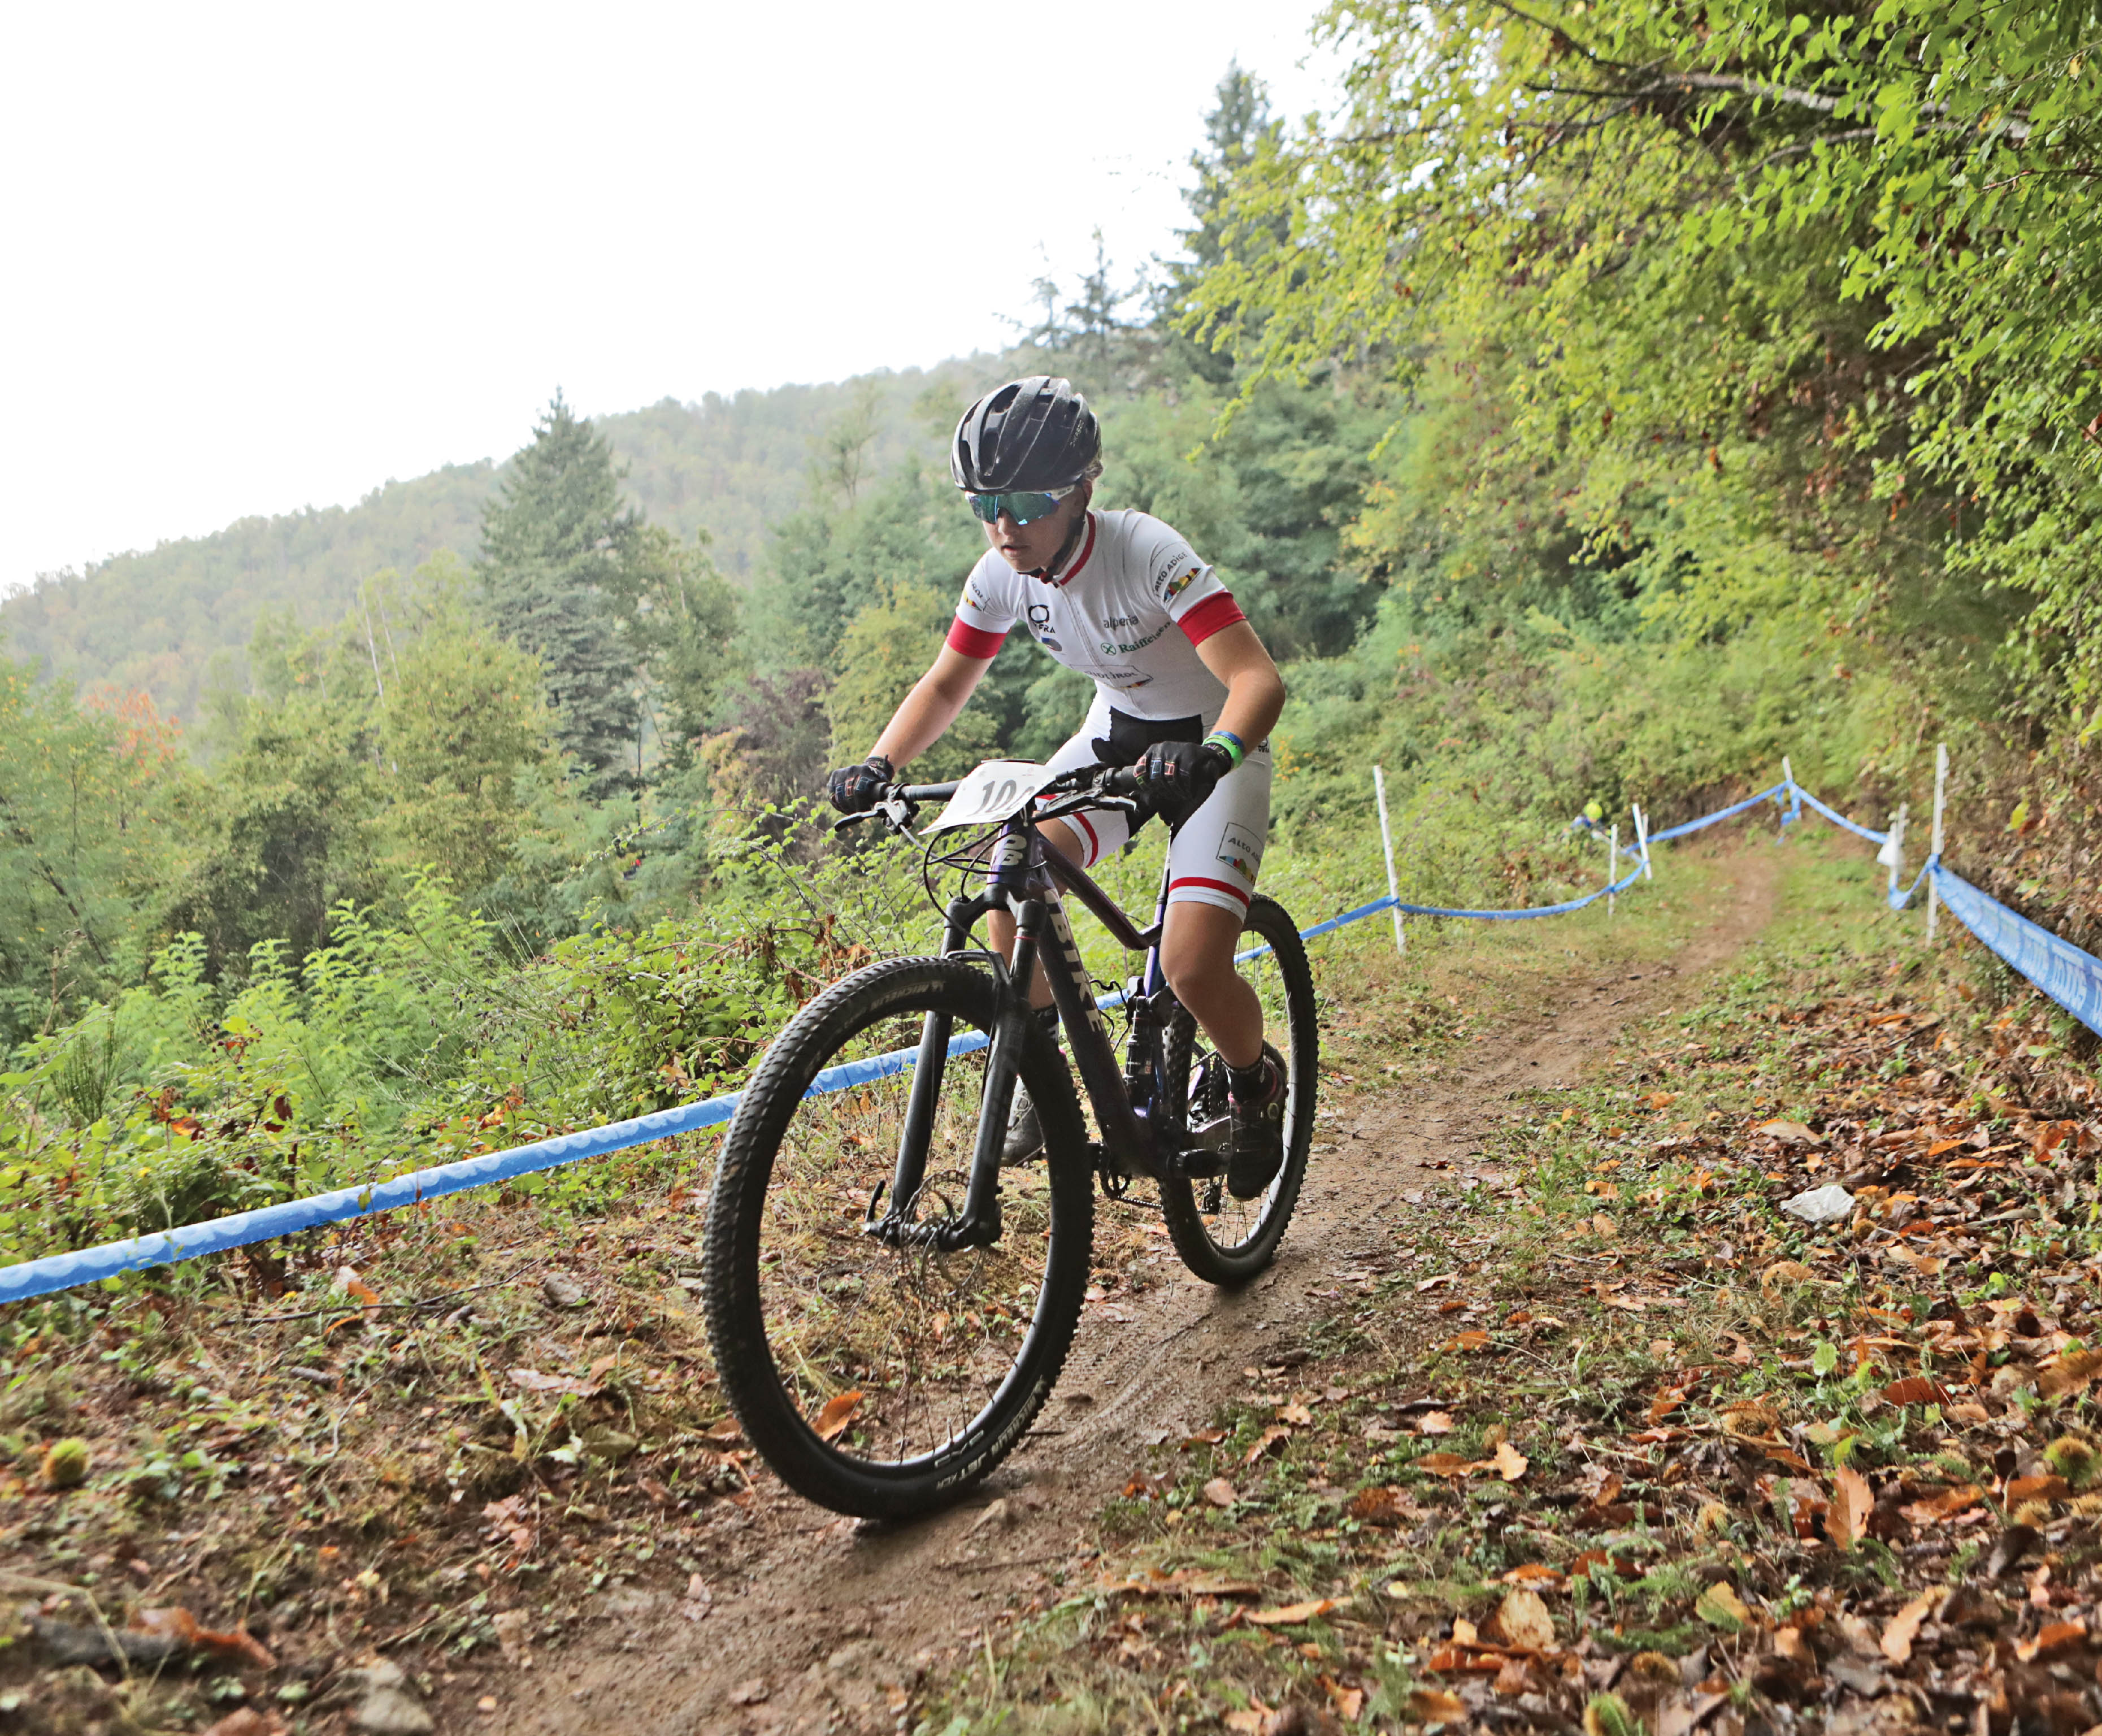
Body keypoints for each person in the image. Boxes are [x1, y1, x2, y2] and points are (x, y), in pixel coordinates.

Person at [826, 376, 1289, 1198]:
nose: (1006, 525)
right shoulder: (1000, 574)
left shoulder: (1145, 552)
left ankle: (1255, 1083)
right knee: (1015, 855)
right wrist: (880, 763)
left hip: (1216, 745)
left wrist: (1216, 754)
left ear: (1083, 489)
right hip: (1117, 736)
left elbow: (1257, 679)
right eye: (986, 503)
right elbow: (943, 685)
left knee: (1188, 967)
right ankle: (1040, 1068)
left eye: (1028, 501)